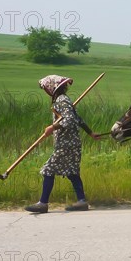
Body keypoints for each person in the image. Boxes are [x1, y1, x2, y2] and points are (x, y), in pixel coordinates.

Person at [25, 75, 101, 213]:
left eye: (46, 88)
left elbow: (70, 119)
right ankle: (82, 201)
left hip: (66, 144)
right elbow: (78, 118)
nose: (46, 91)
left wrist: (52, 128)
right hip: (71, 143)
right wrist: (90, 133)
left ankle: (43, 203)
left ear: (52, 88)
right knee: (72, 172)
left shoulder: (61, 100)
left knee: (48, 170)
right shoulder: (62, 100)